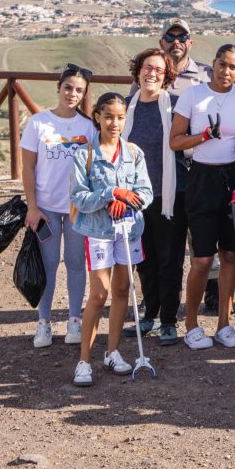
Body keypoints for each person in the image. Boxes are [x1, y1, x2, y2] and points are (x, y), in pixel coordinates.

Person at [169, 44, 235, 350]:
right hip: (202, 178)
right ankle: (192, 324)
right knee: (202, 259)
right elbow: (175, 141)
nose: (226, 71)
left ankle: (224, 324)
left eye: (233, 67)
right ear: (213, 64)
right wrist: (204, 136)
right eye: (222, 64)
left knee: (230, 254)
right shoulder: (193, 95)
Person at [69, 92, 153, 386]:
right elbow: (79, 197)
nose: (114, 123)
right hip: (98, 233)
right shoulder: (84, 154)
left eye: (120, 117)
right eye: (108, 117)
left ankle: (112, 352)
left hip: (129, 230)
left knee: (121, 290)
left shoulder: (134, 153)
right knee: (98, 295)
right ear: (97, 117)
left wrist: (127, 201)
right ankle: (84, 361)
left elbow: (146, 192)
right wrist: (111, 194)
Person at [20, 64, 96, 348]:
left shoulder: (88, 127)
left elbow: (95, 168)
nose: (72, 94)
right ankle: (43, 322)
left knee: (76, 264)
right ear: (59, 88)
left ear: (84, 94)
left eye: (79, 90)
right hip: (46, 208)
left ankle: (74, 320)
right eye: (68, 88)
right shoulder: (38, 123)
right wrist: (32, 206)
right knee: (48, 264)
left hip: (77, 208)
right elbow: (28, 168)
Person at [156, 17, 223, 314]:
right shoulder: (151, 74)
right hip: (163, 166)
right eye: (170, 37)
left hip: (199, 164)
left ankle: (212, 290)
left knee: (203, 231)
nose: (176, 42)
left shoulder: (207, 75)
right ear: (161, 42)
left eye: (182, 37)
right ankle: (163, 296)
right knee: (167, 235)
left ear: (190, 43)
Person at [122, 48, 186, 346]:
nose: (152, 73)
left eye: (159, 70)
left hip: (168, 193)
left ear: (167, 76)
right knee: (144, 259)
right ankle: (149, 314)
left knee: (170, 260)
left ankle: (169, 320)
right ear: (138, 71)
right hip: (133, 197)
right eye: (148, 67)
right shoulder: (125, 107)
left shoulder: (176, 106)